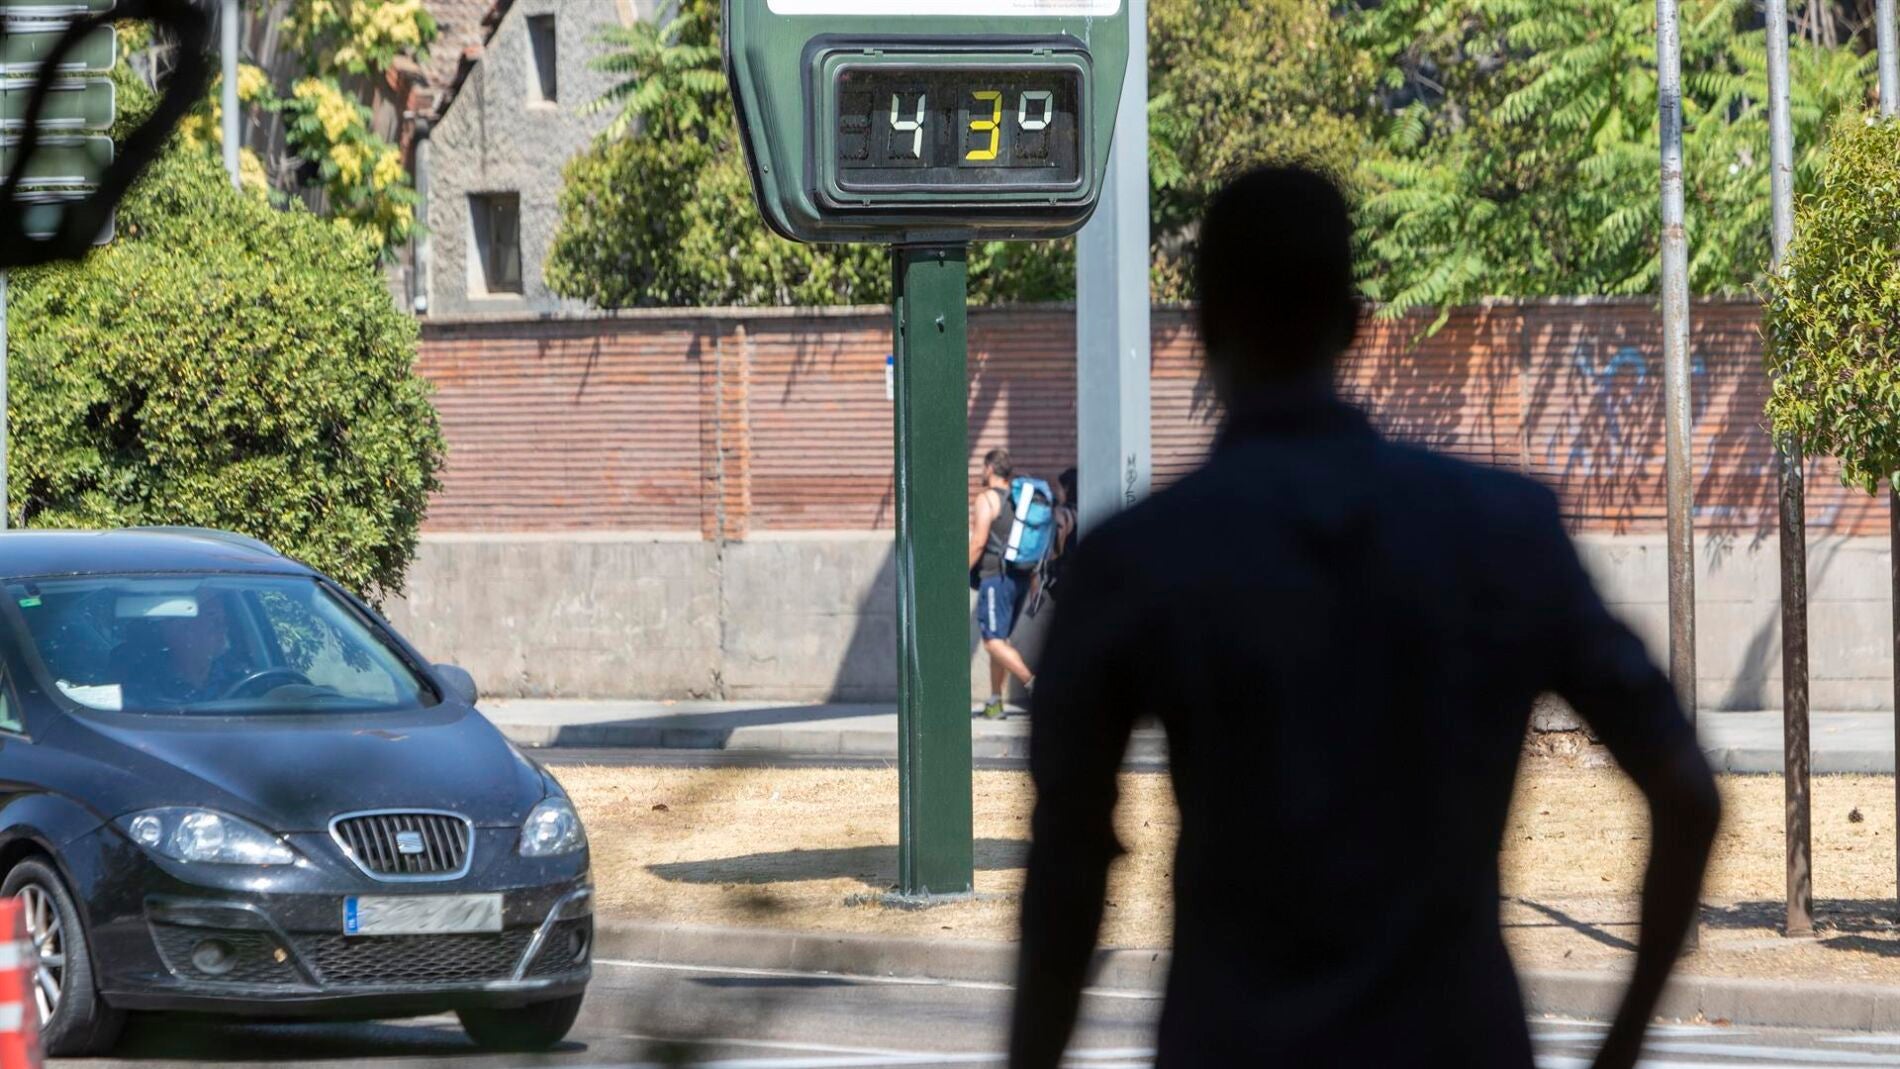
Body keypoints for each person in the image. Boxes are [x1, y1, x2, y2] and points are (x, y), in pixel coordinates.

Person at [1007, 167, 1721, 1069]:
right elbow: (1688, 791)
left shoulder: (1138, 562)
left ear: (1204, 327)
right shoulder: (1504, 531)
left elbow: (1066, 880)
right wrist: (1616, 1053)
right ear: (1352, 324)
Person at [970, 448, 1036, 719]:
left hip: (996, 577)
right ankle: (995, 701)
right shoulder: (1020, 499)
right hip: (1020, 576)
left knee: (992, 641)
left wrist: (958, 573)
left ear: (989, 469)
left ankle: (1036, 685)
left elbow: (979, 542)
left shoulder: (987, 499)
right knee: (1000, 639)